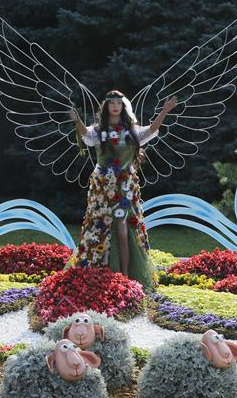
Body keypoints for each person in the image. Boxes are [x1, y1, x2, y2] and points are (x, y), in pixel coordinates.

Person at [67, 91, 177, 290]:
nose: (115, 106)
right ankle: (98, 271)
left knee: (123, 227)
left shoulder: (131, 131)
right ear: (106, 107)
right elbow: (86, 136)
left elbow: (151, 130)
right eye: (112, 103)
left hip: (125, 185)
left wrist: (164, 111)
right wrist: (77, 121)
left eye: (119, 103)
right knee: (99, 226)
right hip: (102, 185)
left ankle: (125, 274)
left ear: (123, 106)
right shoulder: (98, 130)